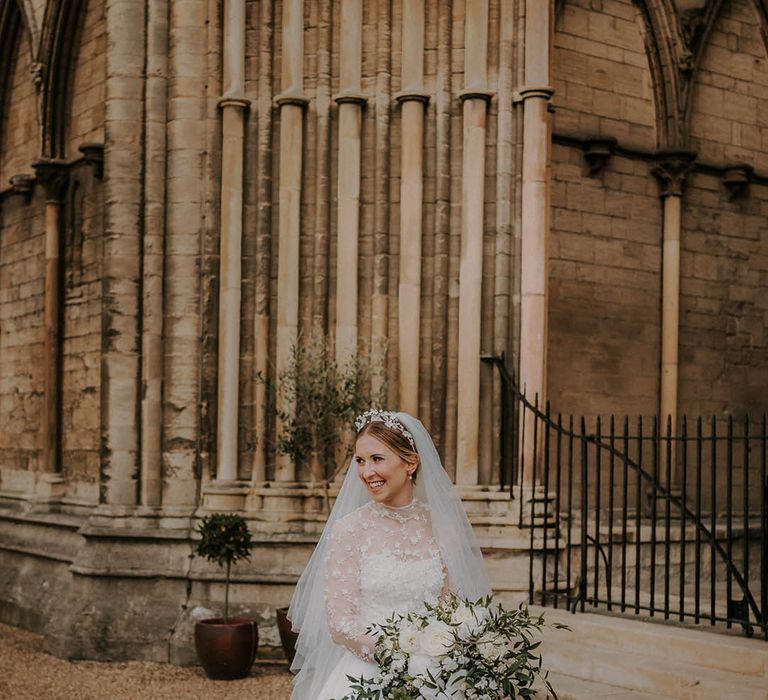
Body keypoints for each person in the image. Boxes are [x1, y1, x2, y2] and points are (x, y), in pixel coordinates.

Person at [287, 410, 491, 699]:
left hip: (435, 678)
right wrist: (397, 655)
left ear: (410, 463)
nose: (366, 472)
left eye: (377, 459)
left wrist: (442, 648)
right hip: (368, 677)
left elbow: (453, 608)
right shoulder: (350, 530)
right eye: (360, 460)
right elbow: (341, 623)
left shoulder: (441, 526)